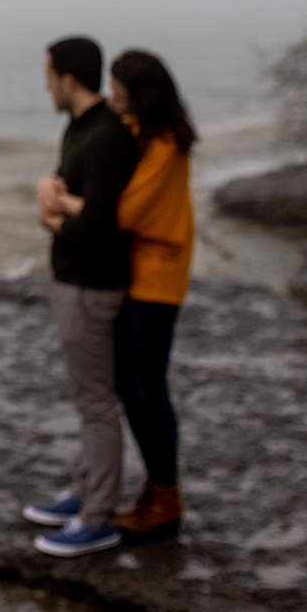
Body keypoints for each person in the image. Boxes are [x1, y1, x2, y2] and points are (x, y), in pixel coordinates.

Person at [21, 36, 140, 556]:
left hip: (92, 286)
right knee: (87, 397)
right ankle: (85, 491)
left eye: (48, 76)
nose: (45, 86)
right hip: (75, 281)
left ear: (69, 79)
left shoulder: (106, 137)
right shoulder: (82, 128)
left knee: (96, 403)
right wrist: (54, 198)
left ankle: (99, 517)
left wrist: (53, 217)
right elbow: (76, 195)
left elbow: (100, 225)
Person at [106, 49, 196, 538]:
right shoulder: (141, 133)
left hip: (157, 279)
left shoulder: (165, 143)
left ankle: (165, 495)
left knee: (147, 390)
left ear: (140, 91)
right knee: (133, 388)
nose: (112, 95)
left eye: (119, 88)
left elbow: (128, 212)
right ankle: (158, 490)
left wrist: (75, 205)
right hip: (138, 275)